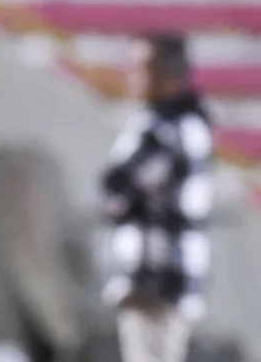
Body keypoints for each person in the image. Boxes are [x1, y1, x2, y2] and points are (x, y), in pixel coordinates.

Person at [99, 33, 214, 362]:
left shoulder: (167, 128)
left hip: (157, 277)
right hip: (160, 278)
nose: (130, 74)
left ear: (168, 73)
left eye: (141, 67)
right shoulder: (182, 124)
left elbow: (116, 192)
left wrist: (116, 200)